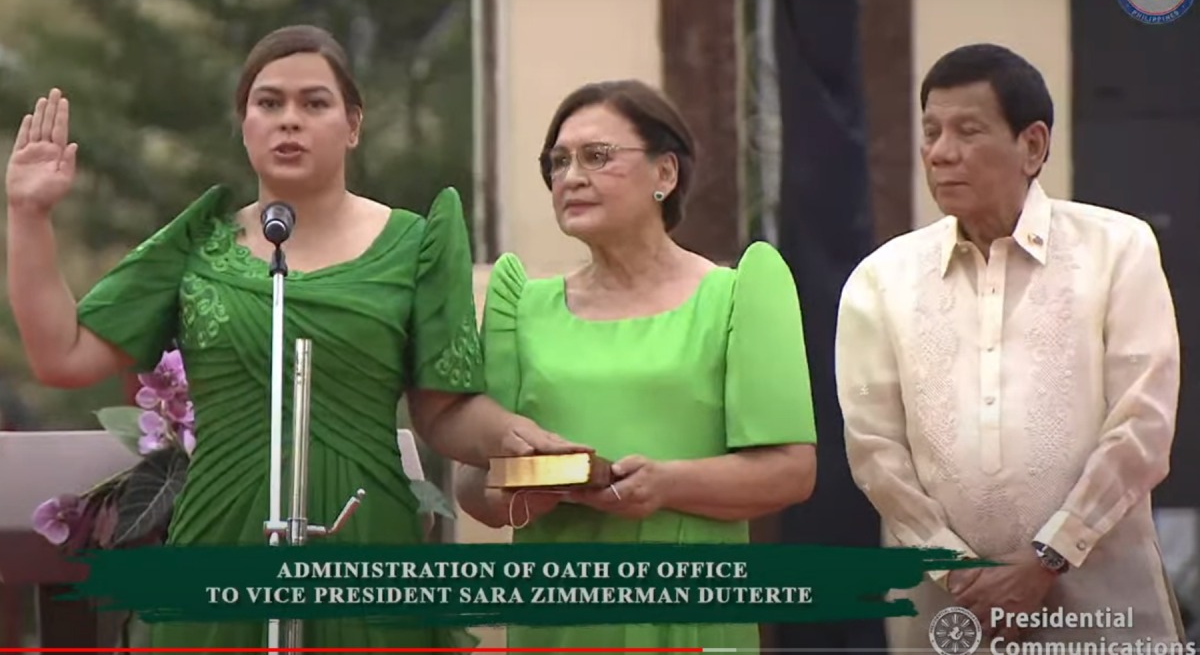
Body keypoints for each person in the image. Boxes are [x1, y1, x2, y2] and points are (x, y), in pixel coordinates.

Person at [4, 25, 583, 650]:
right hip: (219, 545)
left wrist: (510, 437)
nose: (289, 120)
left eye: (314, 103)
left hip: (364, 543)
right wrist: (29, 215)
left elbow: (444, 412)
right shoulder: (199, 243)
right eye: (269, 102)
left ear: (352, 125)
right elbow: (62, 355)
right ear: (244, 124)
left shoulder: (416, 244)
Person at [835, 43, 1185, 649]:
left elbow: (1143, 426)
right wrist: (960, 573)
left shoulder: (1116, 250)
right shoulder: (882, 278)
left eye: (968, 131)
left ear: (1033, 145)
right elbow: (874, 449)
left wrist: (1050, 556)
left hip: (1102, 606)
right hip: (951, 609)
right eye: (931, 132)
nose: (941, 152)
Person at [454, 79, 819, 651]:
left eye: (597, 156)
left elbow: (792, 472)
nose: (571, 177)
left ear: (664, 173)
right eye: (558, 162)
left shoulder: (737, 294)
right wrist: (526, 488)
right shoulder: (519, 304)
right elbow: (472, 482)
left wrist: (667, 485)